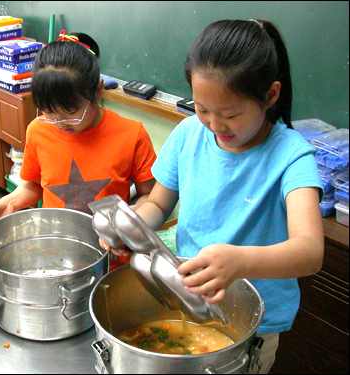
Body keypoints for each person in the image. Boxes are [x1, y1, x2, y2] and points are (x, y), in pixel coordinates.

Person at [105, 20, 324, 373]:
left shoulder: (292, 157)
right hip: (186, 304)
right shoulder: (190, 133)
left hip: (252, 327)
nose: (214, 125)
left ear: (270, 95)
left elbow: (310, 251)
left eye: (230, 114)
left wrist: (239, 262)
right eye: (203, 109)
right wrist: (131, 228)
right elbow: (158, 204)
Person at [0, 31, 157, 231]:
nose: (61, 123)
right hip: (56, 240)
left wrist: (127, 222)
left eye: (71, 113)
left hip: (110, 247)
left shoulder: (131, 134)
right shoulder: (38, 129)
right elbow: (35, 184)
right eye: (50, 113)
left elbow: (150, 196)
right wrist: (11, 203)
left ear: (98, 90)